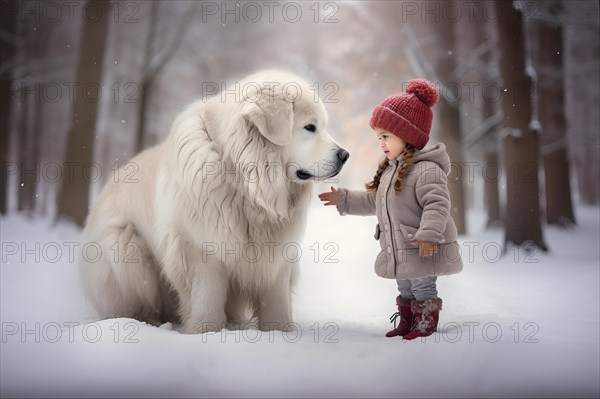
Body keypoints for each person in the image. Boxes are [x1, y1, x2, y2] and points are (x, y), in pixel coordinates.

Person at [318, 79, 463, 340]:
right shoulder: (390, 171)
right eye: (378, 137)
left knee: (422, 285)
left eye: (386, 136)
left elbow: (437, 204)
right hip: (398, 248)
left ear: (407, 136)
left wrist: (429, 234)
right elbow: (374, 201)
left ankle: (425, 324)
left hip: (420, 245)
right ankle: (408, 321)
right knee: (405, 286)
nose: (381, 143)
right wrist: (344, 199)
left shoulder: (426, 170)